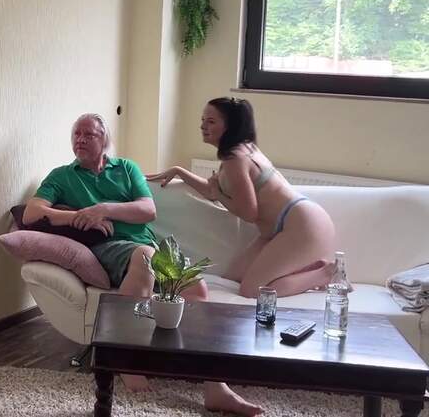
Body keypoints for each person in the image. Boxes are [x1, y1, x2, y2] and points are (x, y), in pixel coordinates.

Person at [24, 113, 262, 416]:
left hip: (148, 245)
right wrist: (77, 216)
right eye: (76, 135)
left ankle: (216, 387)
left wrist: (104, 209)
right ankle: (126, 359)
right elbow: (31, 213)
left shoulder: (126, 168)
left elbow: (148, 210)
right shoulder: (62, 176)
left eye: (89, 135)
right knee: (145, 258)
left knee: (196, 289)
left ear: (104, 140)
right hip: (110, 248)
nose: (80, 140)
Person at [148, 97, 336, 299]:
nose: (202, 126)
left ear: (230, 126)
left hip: (301, 224)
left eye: (211, 121)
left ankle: (326, 274)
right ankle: (308, 270)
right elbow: (212, 191)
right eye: (203, 120)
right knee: (232, 278)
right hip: (283, 227)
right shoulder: (241, 150)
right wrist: (179, 171)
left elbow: (248, 212)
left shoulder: (235, 160)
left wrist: (219, 194)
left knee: (252, 290)